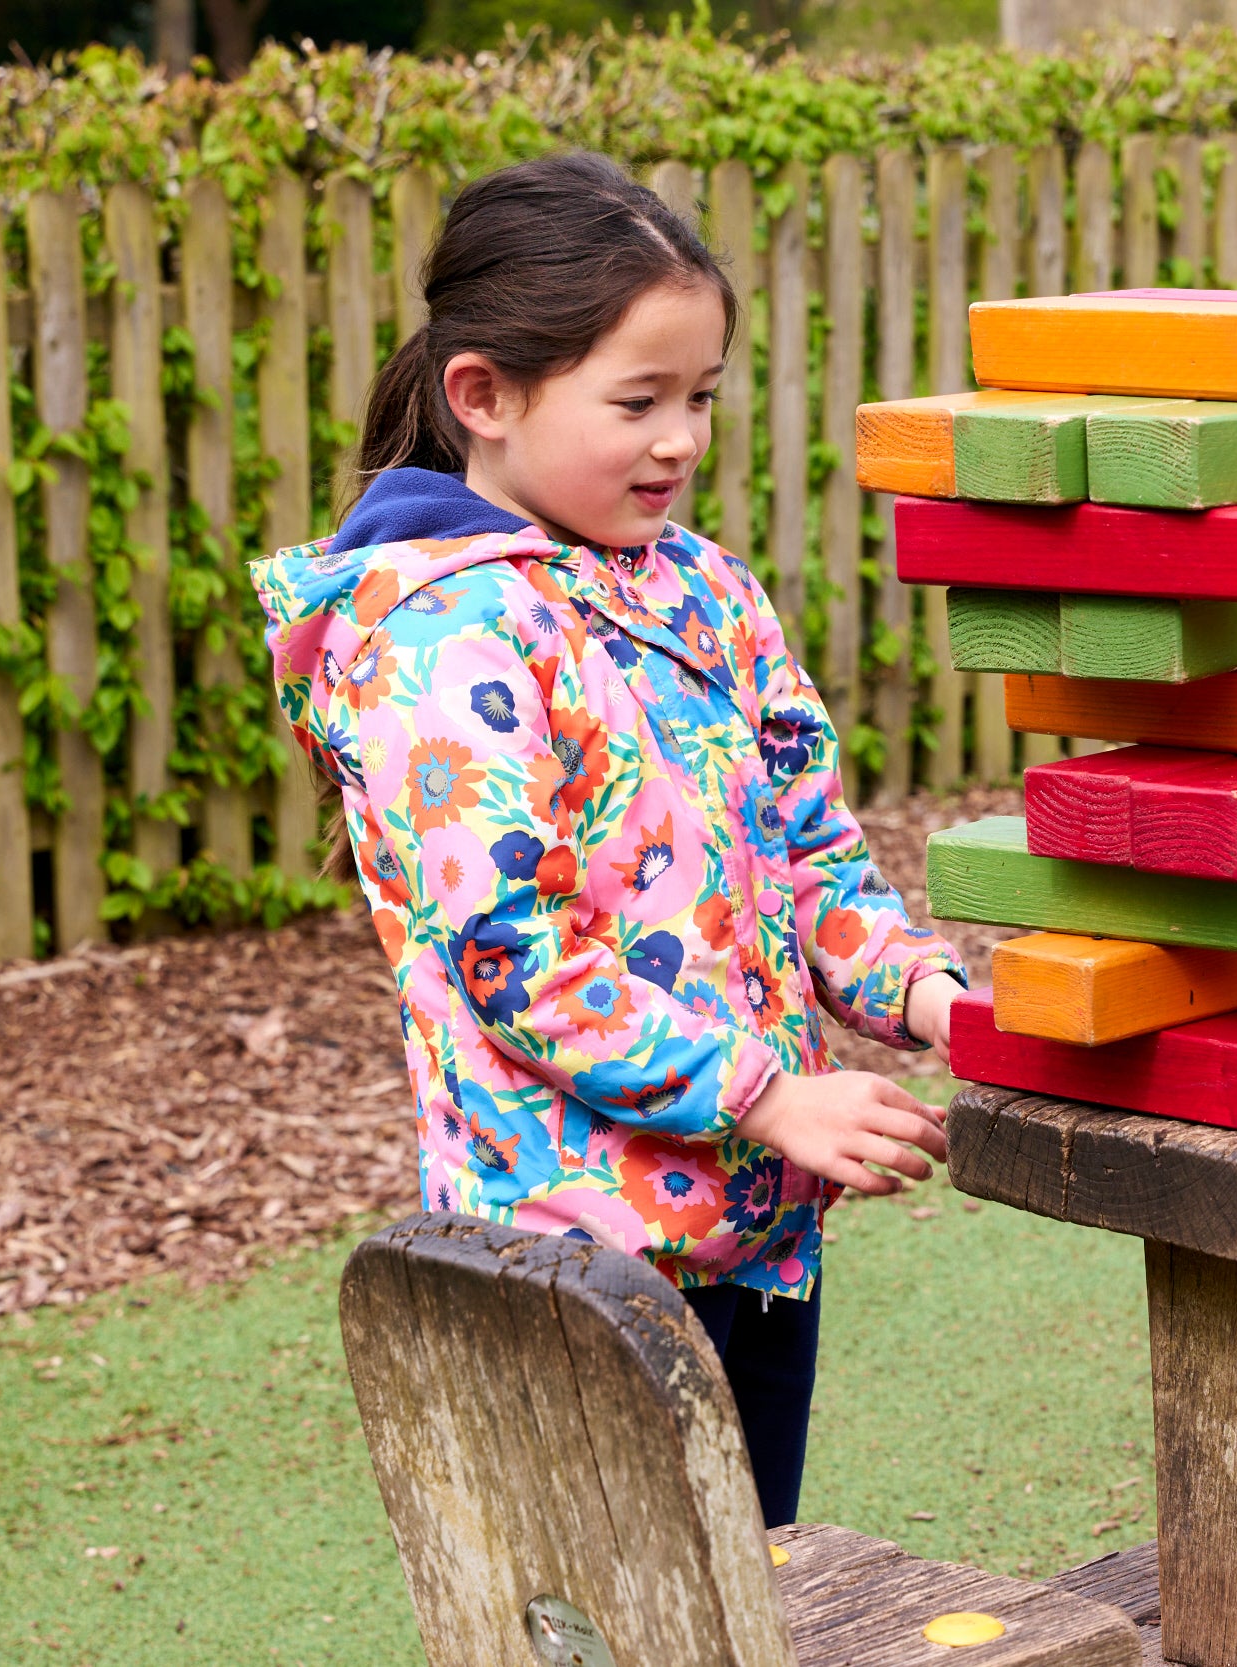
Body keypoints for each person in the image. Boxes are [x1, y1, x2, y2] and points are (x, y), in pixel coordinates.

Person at [250, 151, 966, 1528]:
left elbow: (813, 854)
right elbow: (521, 965)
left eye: (700, 397)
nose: (681, 438)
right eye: (637, 401)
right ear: (485, 397)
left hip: (754, 1230)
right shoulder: (442, 638)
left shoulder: (706, 589)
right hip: (572, 1263)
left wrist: (928, 995)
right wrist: (768, 1094)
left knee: (748, 1590)